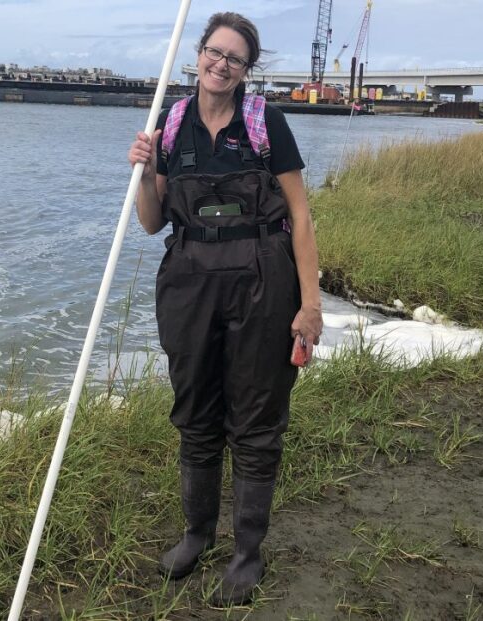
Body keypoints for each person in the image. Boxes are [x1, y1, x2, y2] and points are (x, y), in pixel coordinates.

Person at [127, 12, 323, 606]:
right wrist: (143, 170)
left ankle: (247, 552)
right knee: (196, 412)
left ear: (246, 70)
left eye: (234, 59)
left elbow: (302, 217)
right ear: (199, 53)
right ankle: (196, 535)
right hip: (189, 284)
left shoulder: (268, 125)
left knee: (256, 421)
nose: (221, 64)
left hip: (263, 283)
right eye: (214, 52)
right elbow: (152, 222)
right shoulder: (171, 123)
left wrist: (310, 304)